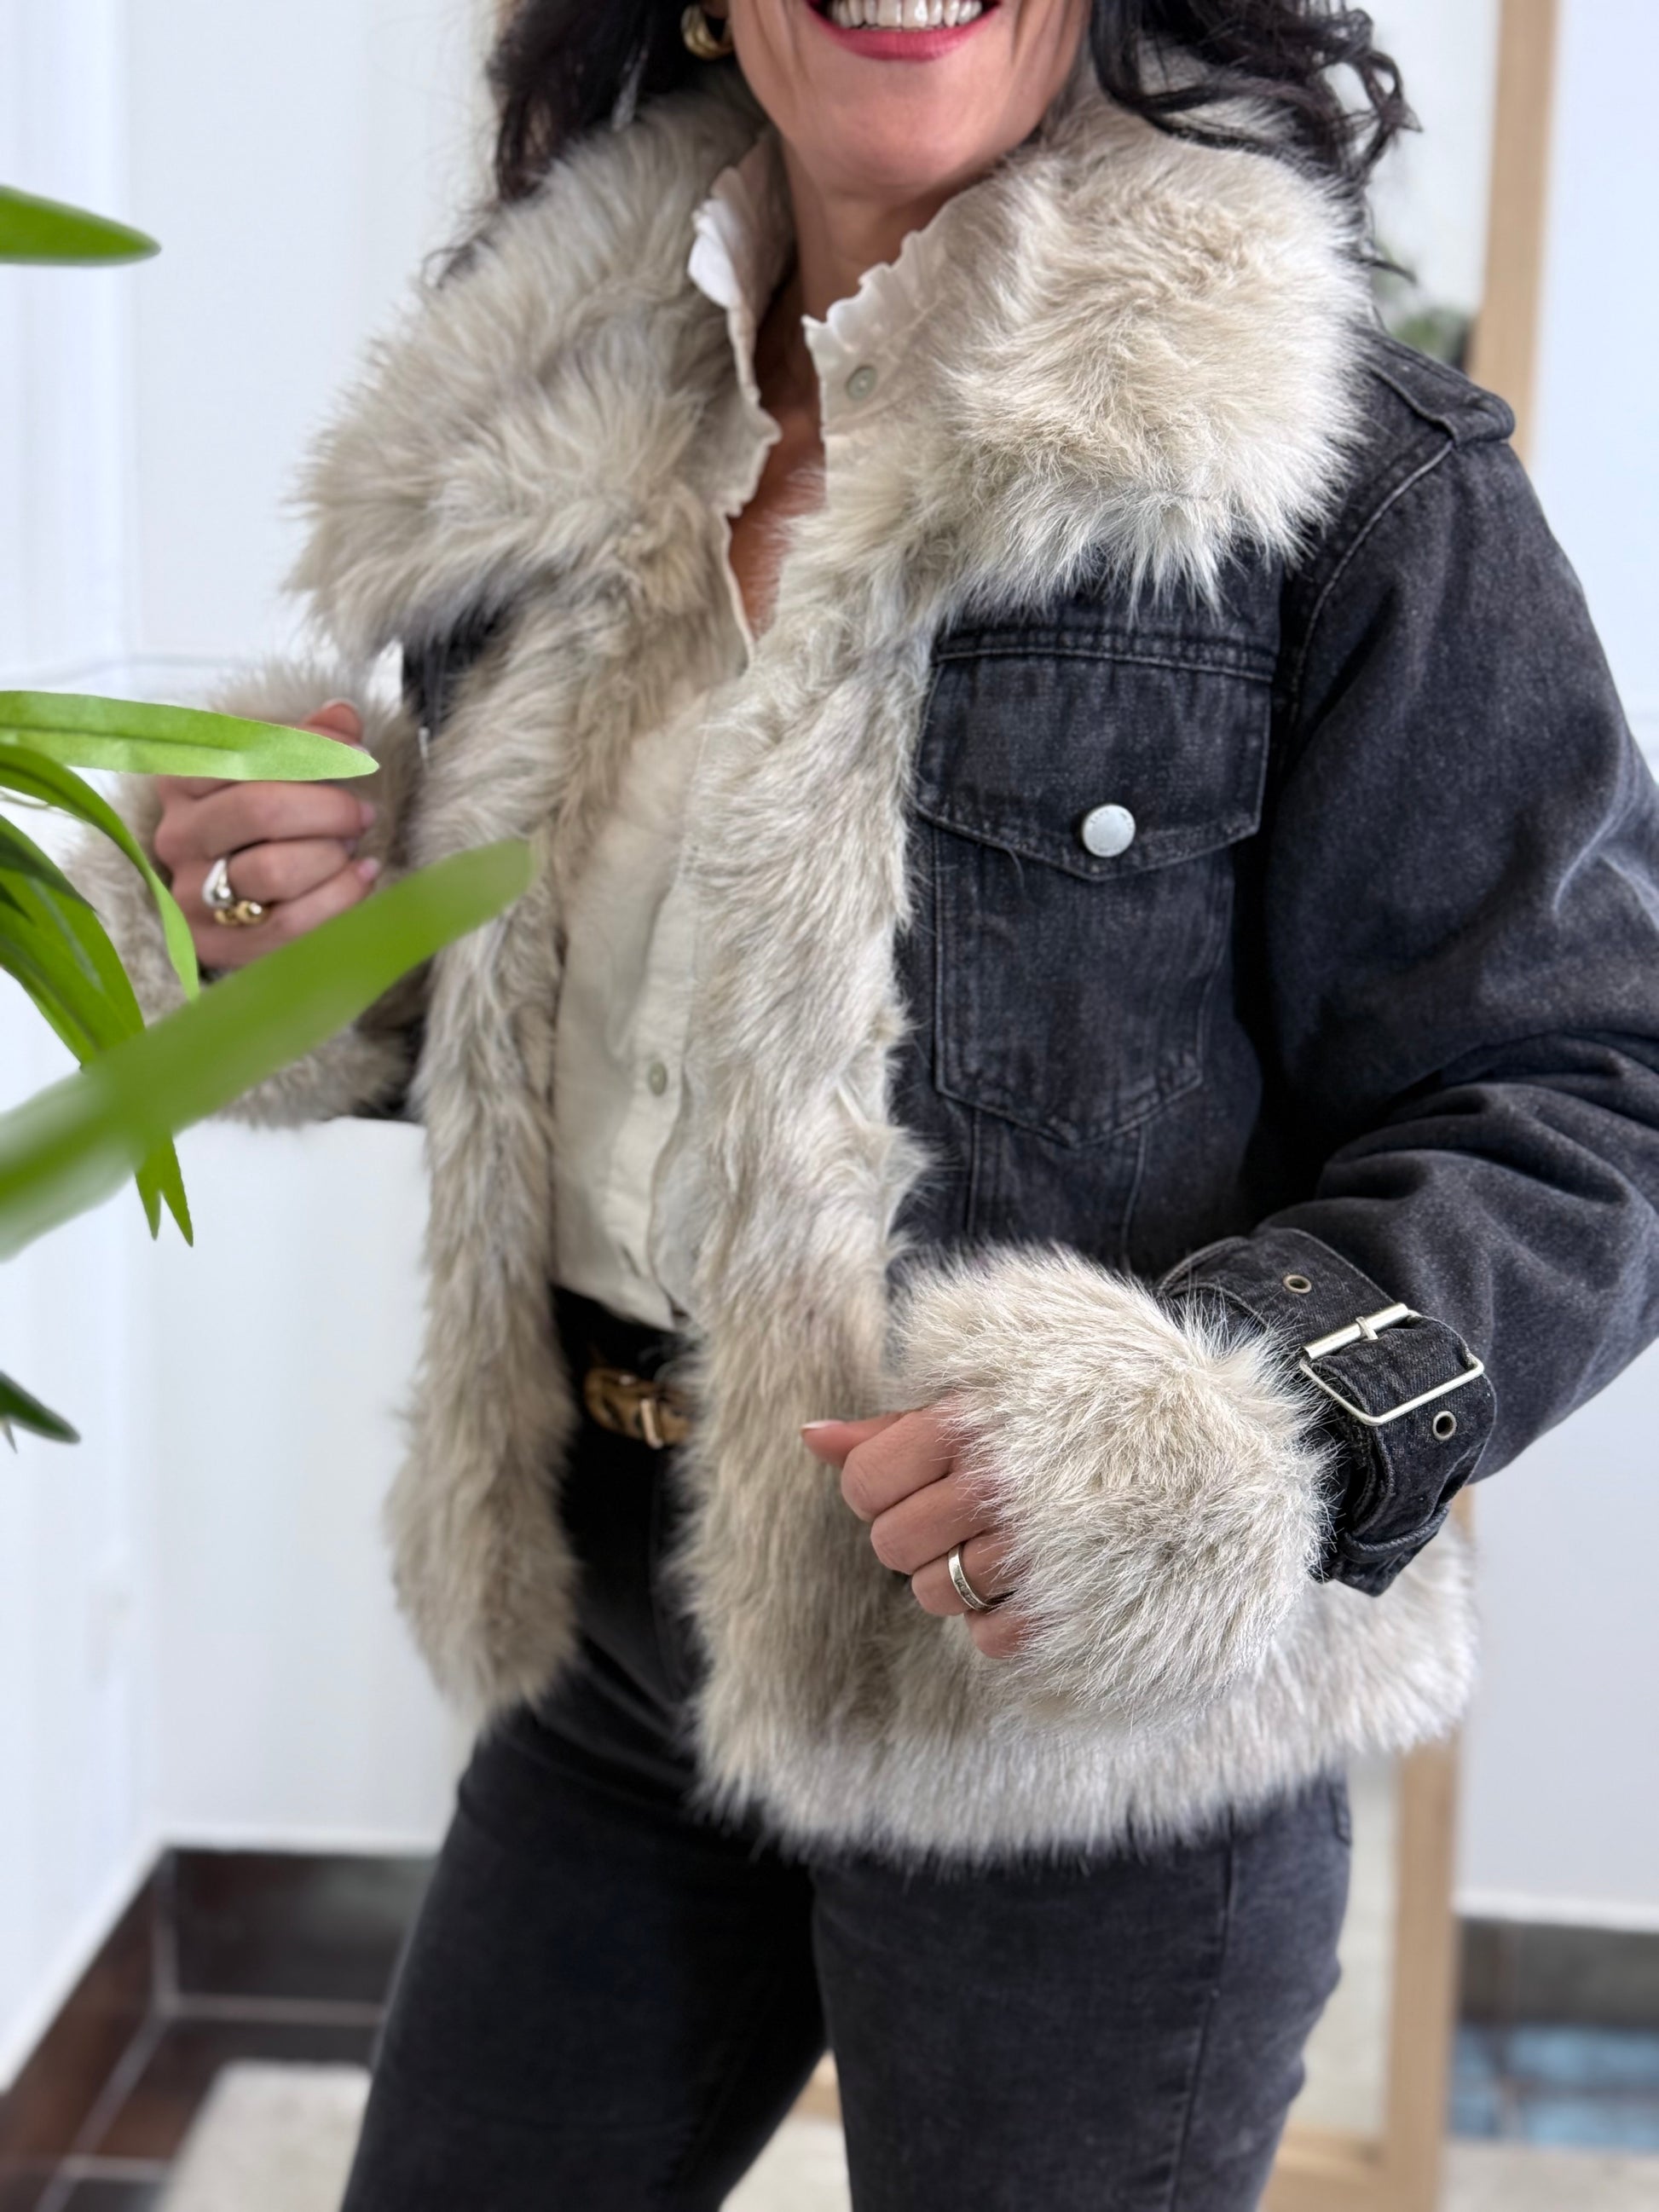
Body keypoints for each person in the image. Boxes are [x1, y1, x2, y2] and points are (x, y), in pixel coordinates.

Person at [80, 1, 1659, 2204]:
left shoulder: (1332, 466)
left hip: (1077, 1749)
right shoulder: (552, 420)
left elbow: (1588, 1092)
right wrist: (311, 937)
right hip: (618, 1627)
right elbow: (629, 1041)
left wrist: (1227, 1429)